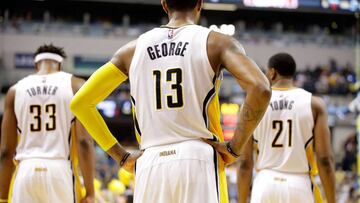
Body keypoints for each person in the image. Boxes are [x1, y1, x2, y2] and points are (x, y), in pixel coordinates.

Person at [69, 0, 271, 202]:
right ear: (200, 4)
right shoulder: (216, 42)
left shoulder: (130, 51)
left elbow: (80, 103)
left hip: (150, 162)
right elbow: (260, 88)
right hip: (198, 158)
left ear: (164, 5)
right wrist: (234, 147)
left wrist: (120, 156)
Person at [0, 44, 95, 203]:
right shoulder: (75, 85)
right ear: (60, 65)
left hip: (25, 171)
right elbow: (84, 142)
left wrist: (2, 198)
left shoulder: (14, 91)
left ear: (36, 65)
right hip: (60, 170)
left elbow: (5, 152)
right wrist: (90, 193)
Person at [237, 53, 335, 203]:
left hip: (264, 183)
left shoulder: (252, 105)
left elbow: (244, 163)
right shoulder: (314, 104)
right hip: (299, 184)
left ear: (272, 72)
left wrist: (242, 200)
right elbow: (325, 160)